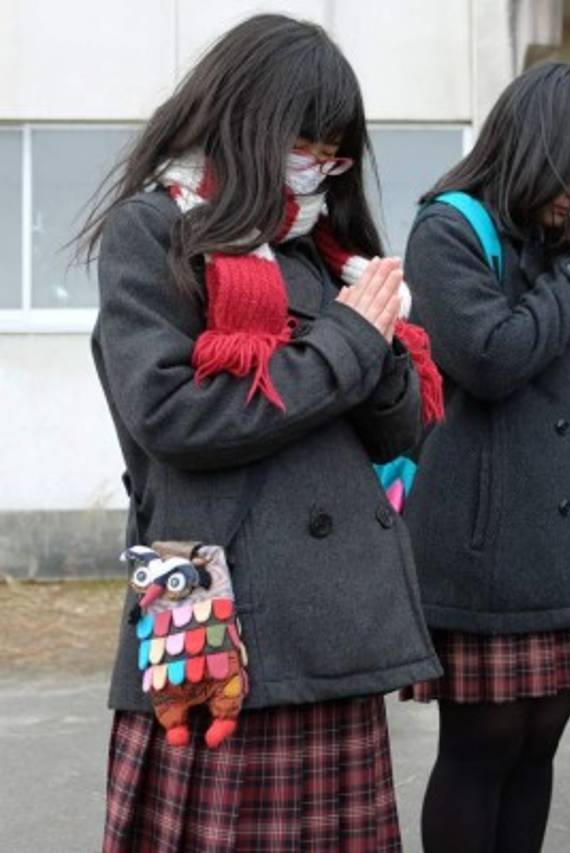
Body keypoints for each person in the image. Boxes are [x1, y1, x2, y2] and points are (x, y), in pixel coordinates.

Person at [82, 14, 441, 850]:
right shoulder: (156, 231)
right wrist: (349, 341)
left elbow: (397, 430)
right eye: (303, 138)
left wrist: (383, 338)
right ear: (243, 118)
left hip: (335, 621)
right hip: (224, 622)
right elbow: (172, 414)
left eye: (334, 149)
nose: (317, 163)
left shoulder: (325, 250)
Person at [402, 61, 570, 853]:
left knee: (540, 741)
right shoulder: (449, 228)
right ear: (541, 153)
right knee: (482, 747)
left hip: (567, 546)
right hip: (486, 546)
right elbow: (490, 356)